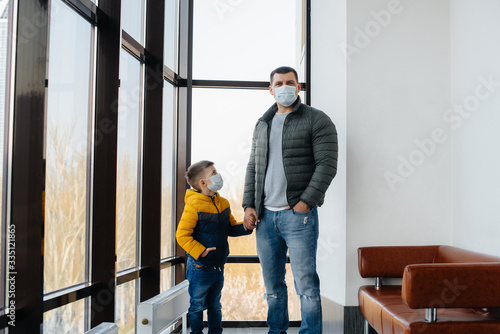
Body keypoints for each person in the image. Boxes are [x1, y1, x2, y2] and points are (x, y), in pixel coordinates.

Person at [242, 66, 338, 334]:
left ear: (298, 87)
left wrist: (305, 203)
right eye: (279, 83)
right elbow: (253, 166)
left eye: (290, 82)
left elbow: (327, 165)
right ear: (270, 89)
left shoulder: (317, 120)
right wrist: (249, 204)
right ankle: (277, 331)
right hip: (264, 218)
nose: (285, 87)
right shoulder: (262, 124)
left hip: (299, 216)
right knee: (272, 286)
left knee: (306, 285)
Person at [176, 160, 253, 334]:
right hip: (199, 267)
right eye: (213, 173)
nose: (218, 175)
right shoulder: (194, 205)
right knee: (197, 306)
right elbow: (182, 235)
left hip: (218, 267)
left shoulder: (223, 203)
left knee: (215, 306)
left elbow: (231, 228)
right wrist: (201, 251)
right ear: (203, 183)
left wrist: (246, 226)